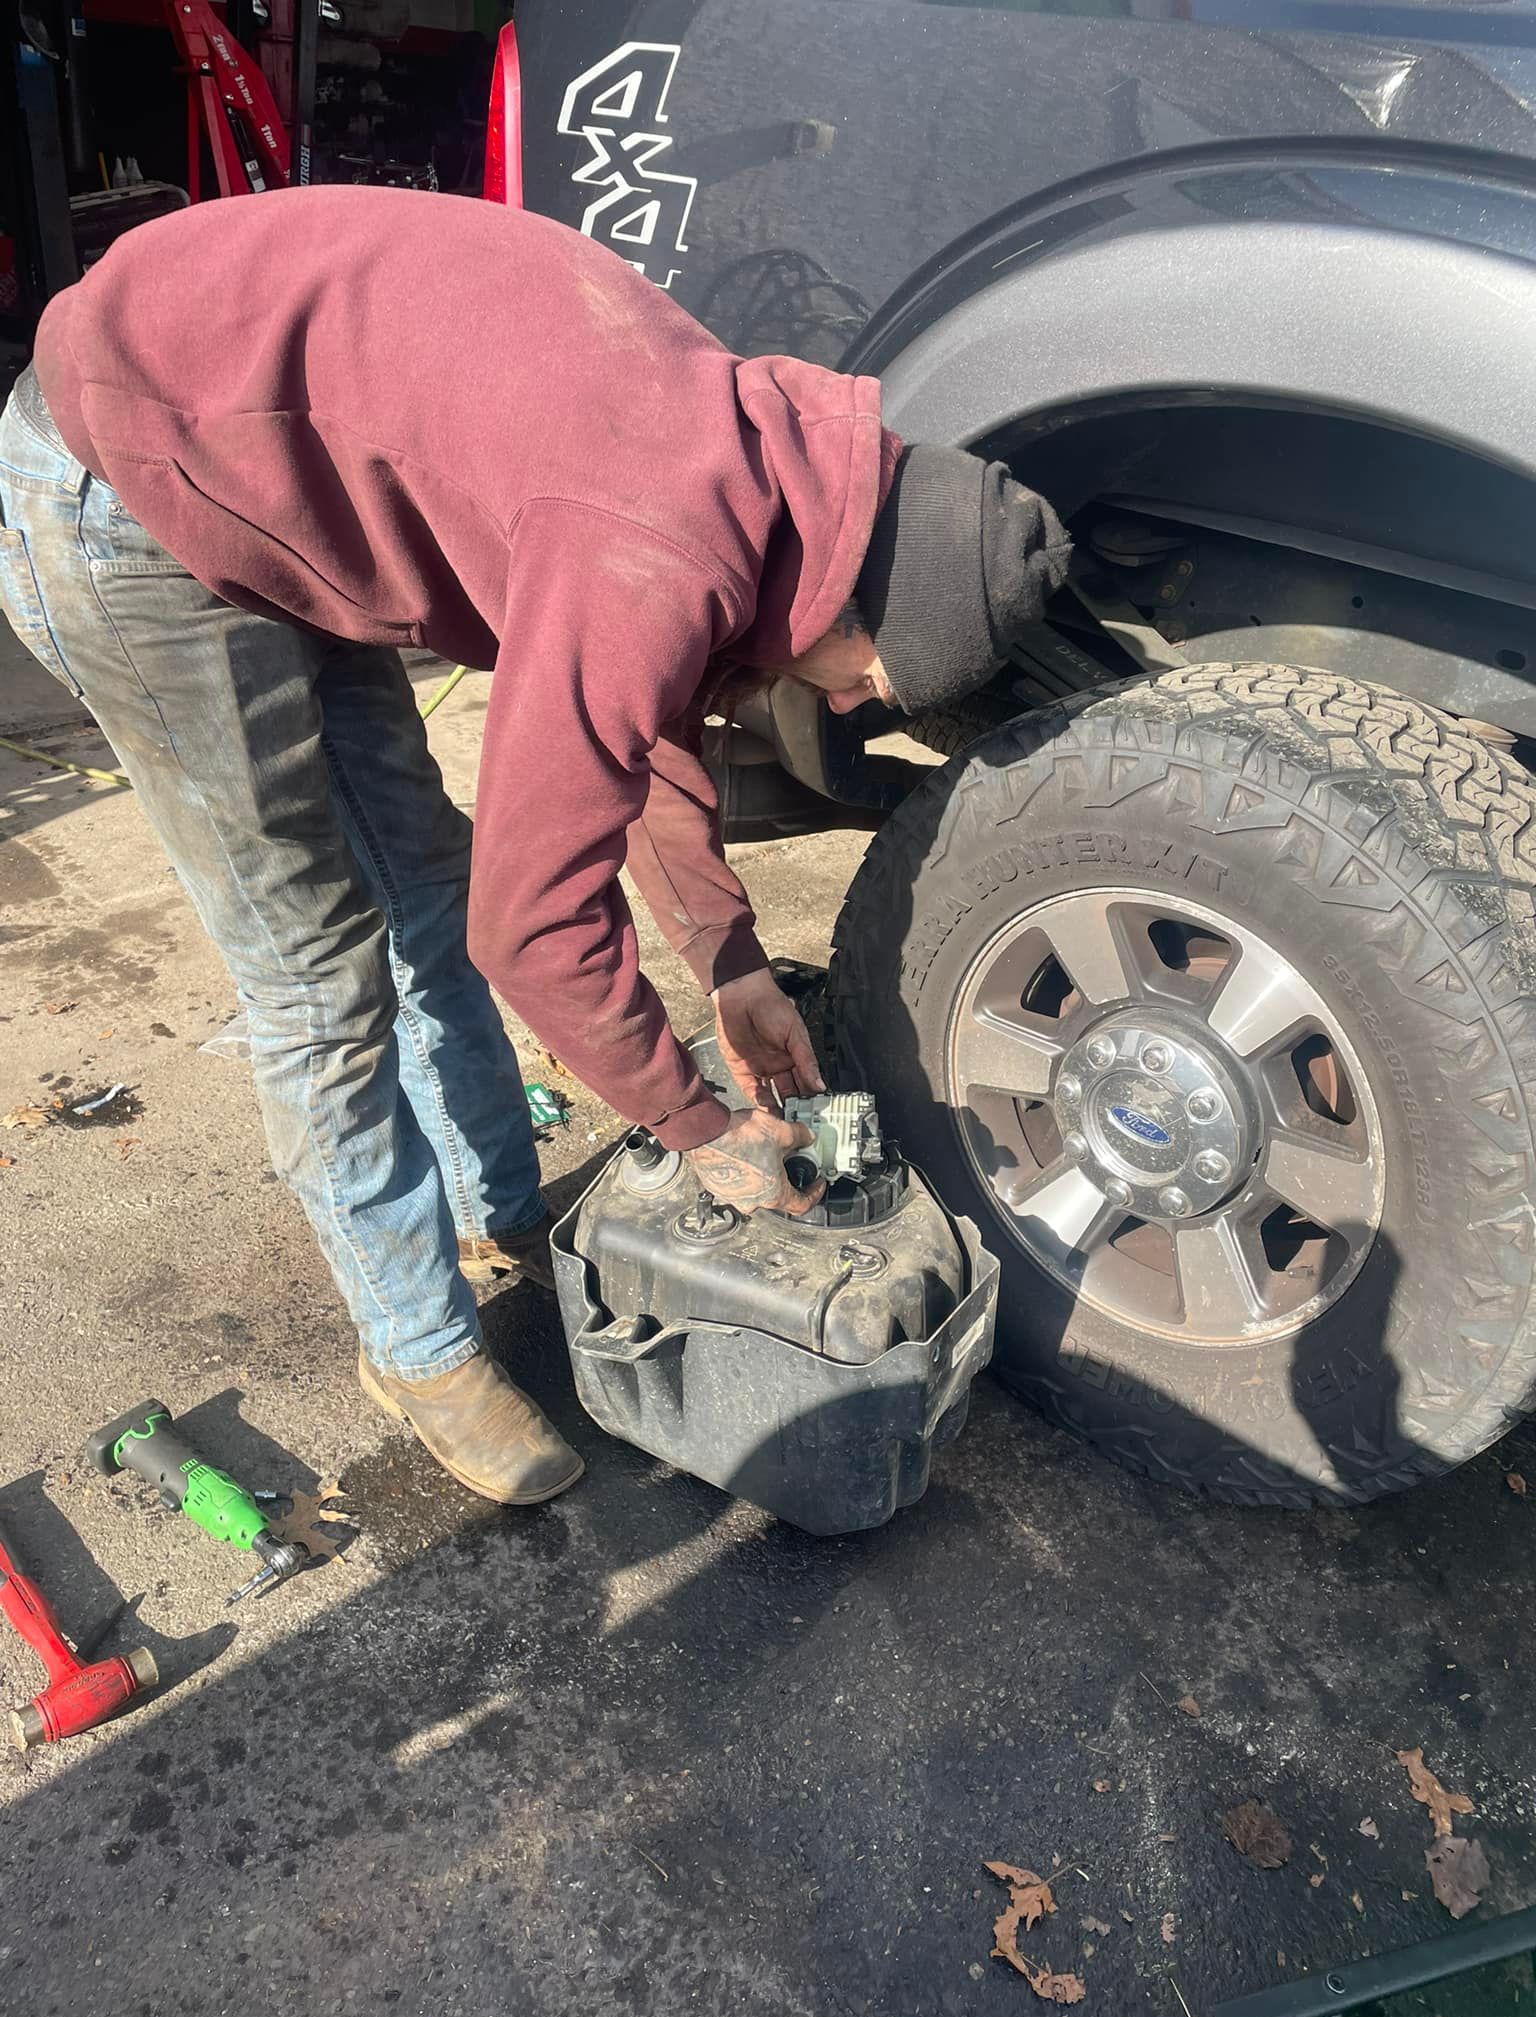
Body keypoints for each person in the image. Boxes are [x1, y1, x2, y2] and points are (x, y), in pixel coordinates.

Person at [0, 188, 1070, 1507]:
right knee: (318, 974)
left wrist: (730, 961)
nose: (849, 706)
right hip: (126, 482)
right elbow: (535, 924)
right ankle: (418, 1349)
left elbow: (645, 713)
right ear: (851, 605)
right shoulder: (654, 536)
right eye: (870, 682)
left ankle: (494, 1211)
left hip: (260, 448)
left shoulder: (764, 466)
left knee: (425, 888)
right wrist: (693, 1127)